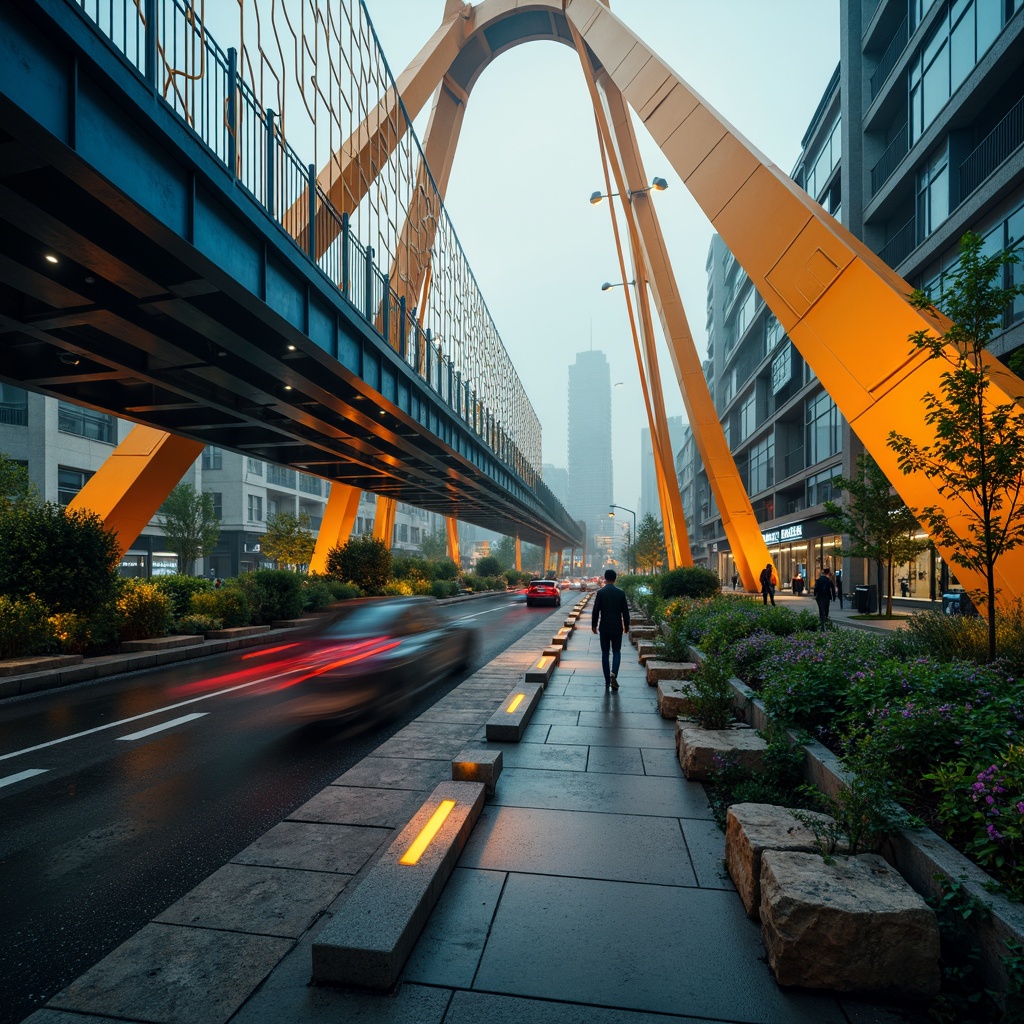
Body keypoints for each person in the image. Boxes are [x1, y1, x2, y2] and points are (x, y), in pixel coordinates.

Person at [591, 568, 630, 691]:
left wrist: (594, 625)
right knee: (617, 652)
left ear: (605, 578)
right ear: (615, 578)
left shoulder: (601, 593)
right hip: (617, 627)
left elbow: (596, 610)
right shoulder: (620, 593)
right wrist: (626, 626)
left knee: (605, 653)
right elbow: (625, 612)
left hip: (604, 627)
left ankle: (607, 681)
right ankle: (614, 675)